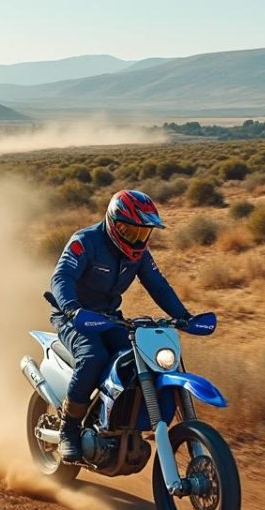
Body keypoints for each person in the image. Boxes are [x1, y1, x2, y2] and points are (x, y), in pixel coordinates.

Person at [49, 189, 195, 462]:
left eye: (143, 233)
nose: (137, 239)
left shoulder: (138, 254)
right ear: (113, 223)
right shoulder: (85, 241)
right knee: (94, 357)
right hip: (73, 317)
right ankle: (68, 429)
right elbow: (62, 277)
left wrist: (183, 315)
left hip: (108, 317)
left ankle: (121, 418)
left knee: (137, 357)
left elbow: (158, 286)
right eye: (131, 231)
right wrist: (71, 308)